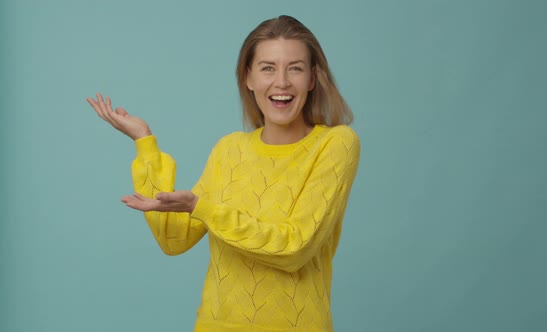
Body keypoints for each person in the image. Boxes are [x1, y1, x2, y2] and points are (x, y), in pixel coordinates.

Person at [87, 15, 360, 332]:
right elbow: (175, 239)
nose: (281, 81)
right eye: (268, 68)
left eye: (295, 68)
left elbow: (295, 247)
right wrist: (145, 143)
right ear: (249, 78)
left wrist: (201, 207)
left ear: (312, 79)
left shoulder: (336, 144)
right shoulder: (229, 149)